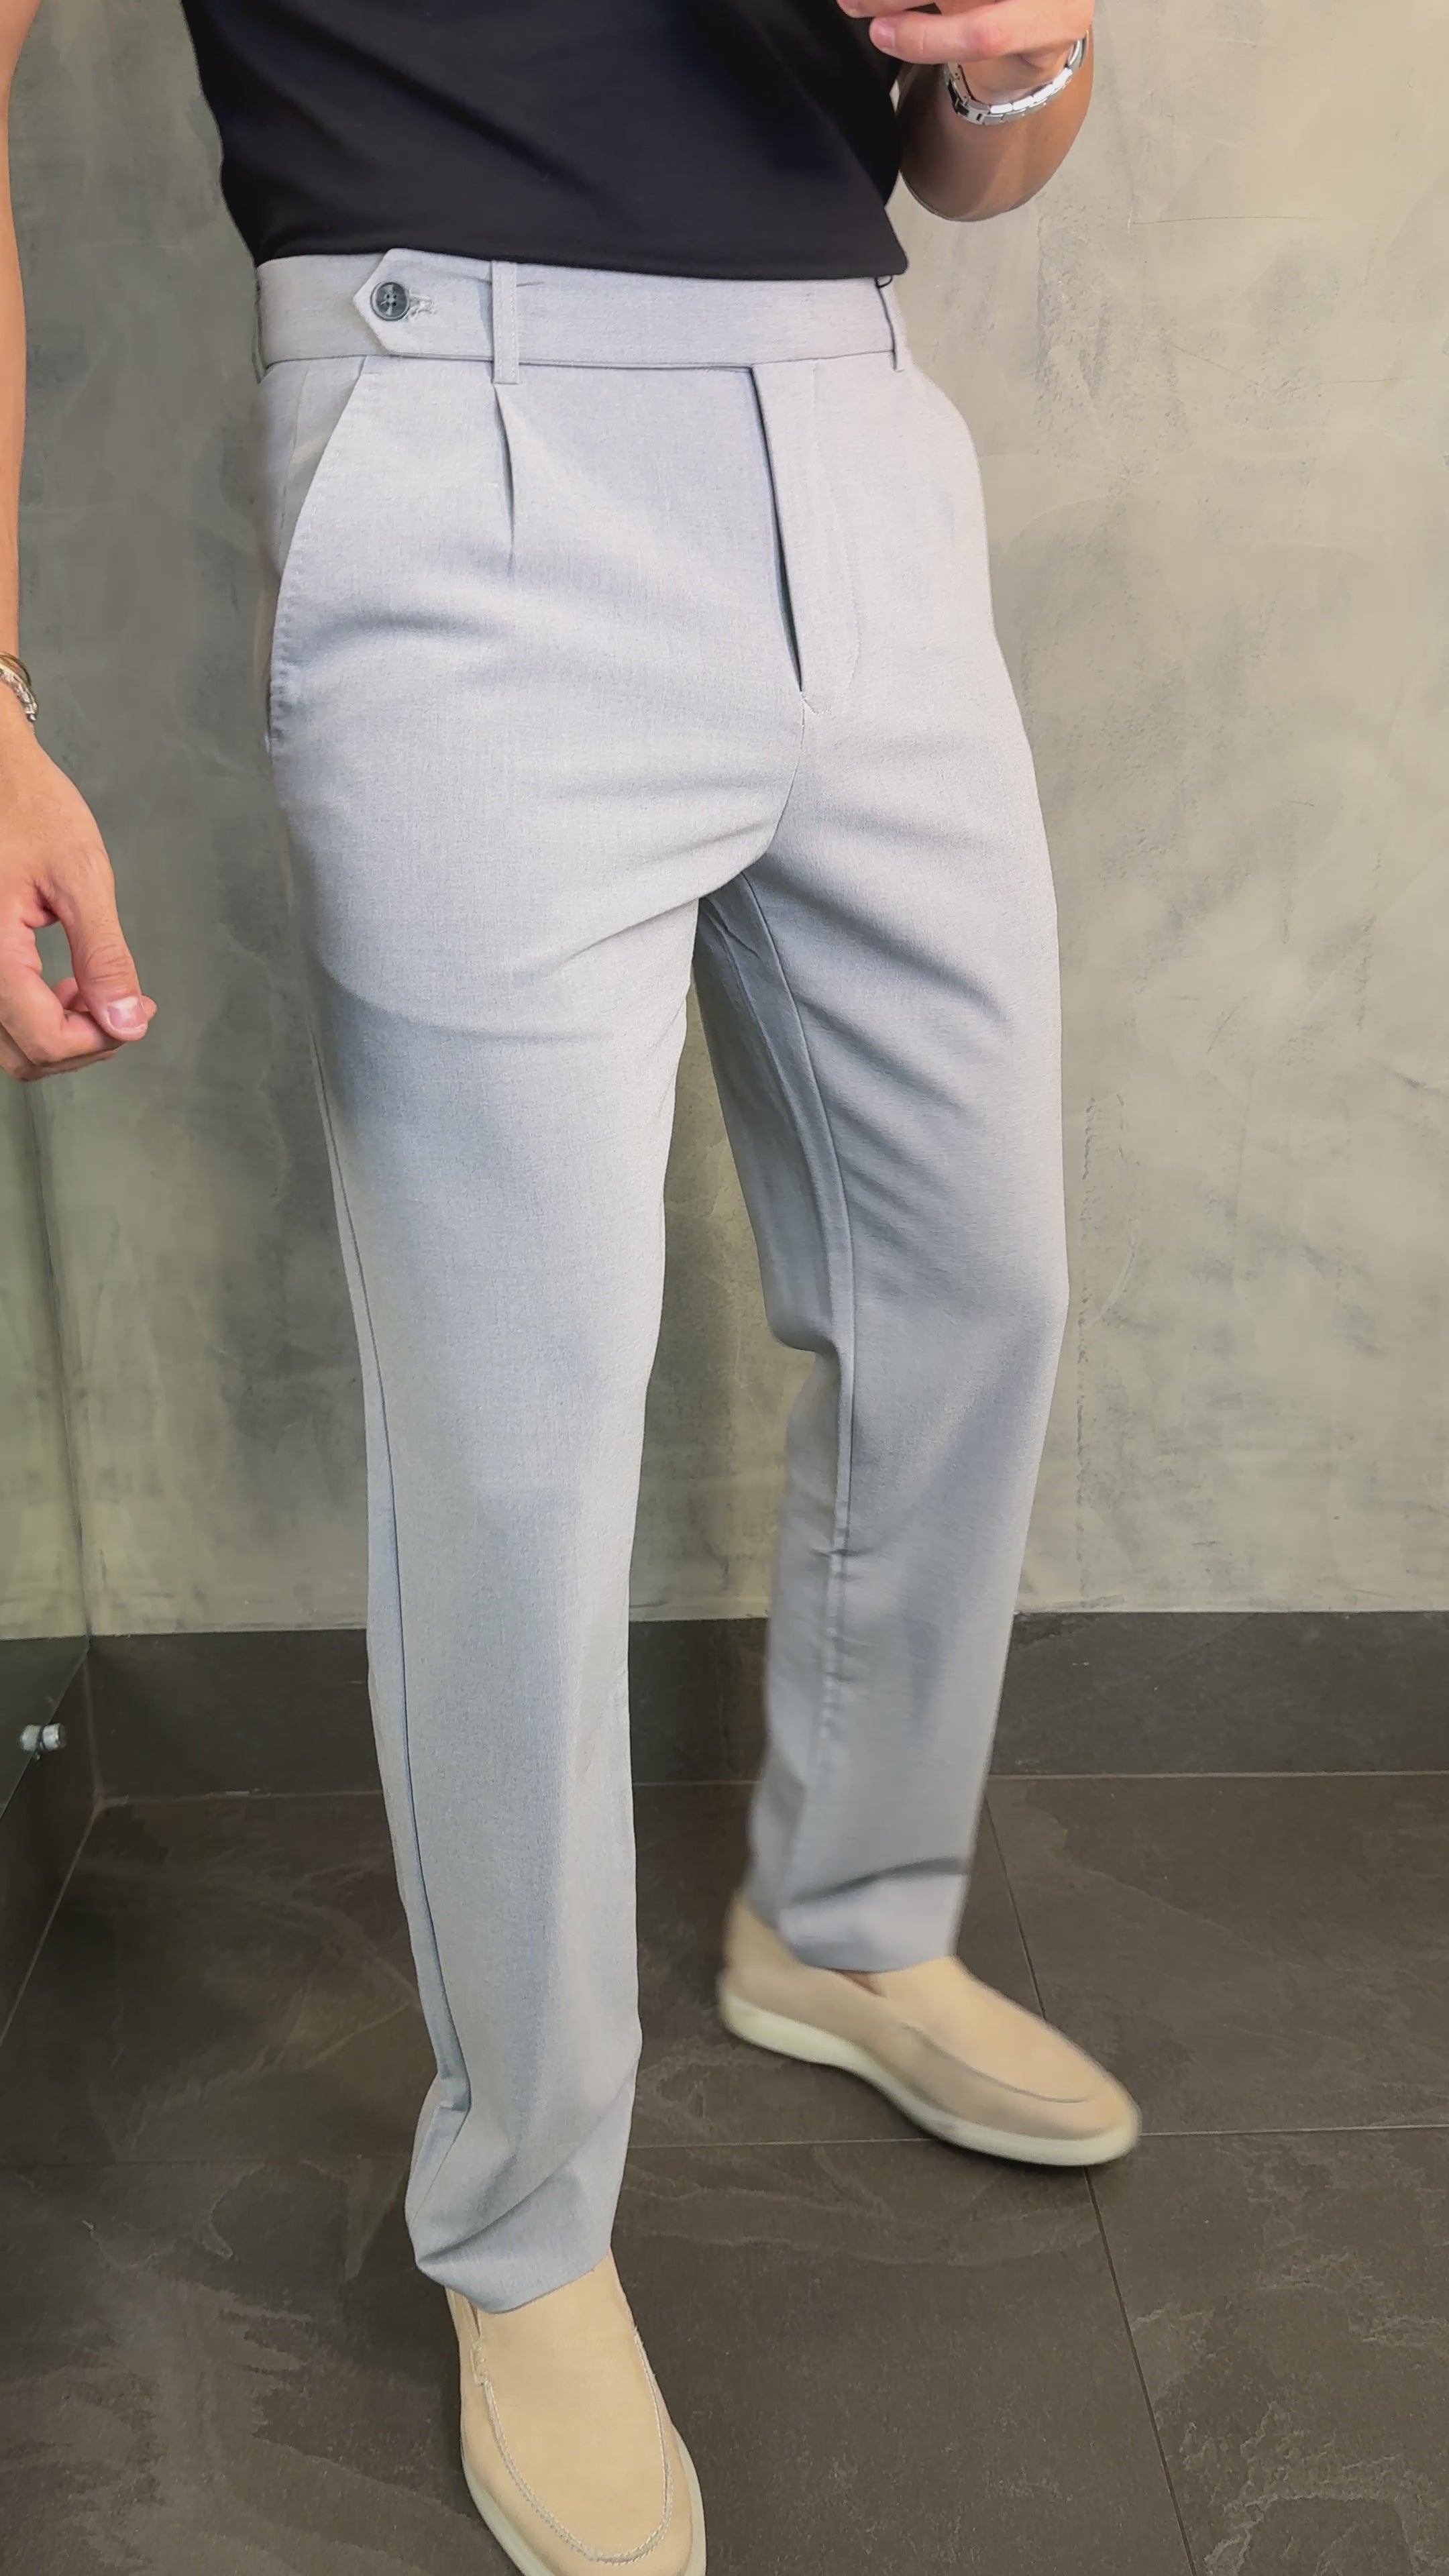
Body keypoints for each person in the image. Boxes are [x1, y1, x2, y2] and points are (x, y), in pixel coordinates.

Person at [0, 3, 1133, 2567]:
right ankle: (522, 2224)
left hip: (857, 434)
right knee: (515, 1438)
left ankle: (843, 1923)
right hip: (456, 432)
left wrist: (1024, 55)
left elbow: (978, 163)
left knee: (976, 1283)